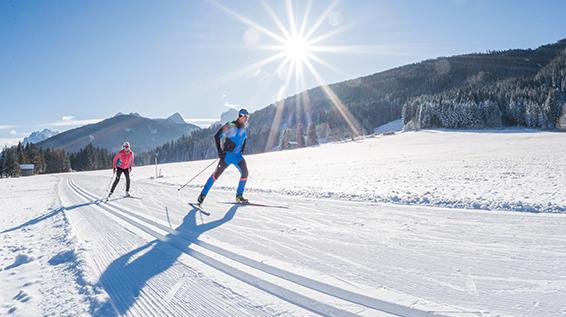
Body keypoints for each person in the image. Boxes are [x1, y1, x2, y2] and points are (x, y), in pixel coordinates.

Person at [197, 108, 250, 204]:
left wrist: (242, 149)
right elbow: (217, 136)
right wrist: (220, 152)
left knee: (245, 173)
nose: (246, 120)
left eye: (247, 118)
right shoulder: (230, 125)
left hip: (238, 157)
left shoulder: (245, 129)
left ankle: (239, 196)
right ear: (240, 116)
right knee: (215, 176)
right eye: (245, 117)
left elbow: (245, 139)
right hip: (227, 157)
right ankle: (202, 195)